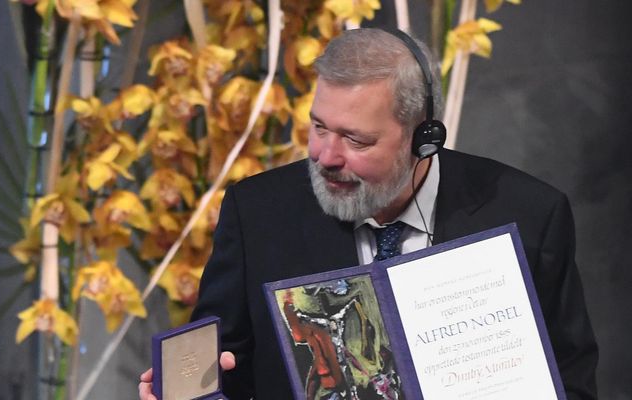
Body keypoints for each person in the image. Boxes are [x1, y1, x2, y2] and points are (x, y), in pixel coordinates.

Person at [139, 28, 598, 399]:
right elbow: (223, 367)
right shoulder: (256, 213)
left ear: (424, 139)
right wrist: (187, 392)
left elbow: (571, 382)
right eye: (319, 127)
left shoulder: (531, 215)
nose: (325, 156)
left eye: (356, 140)